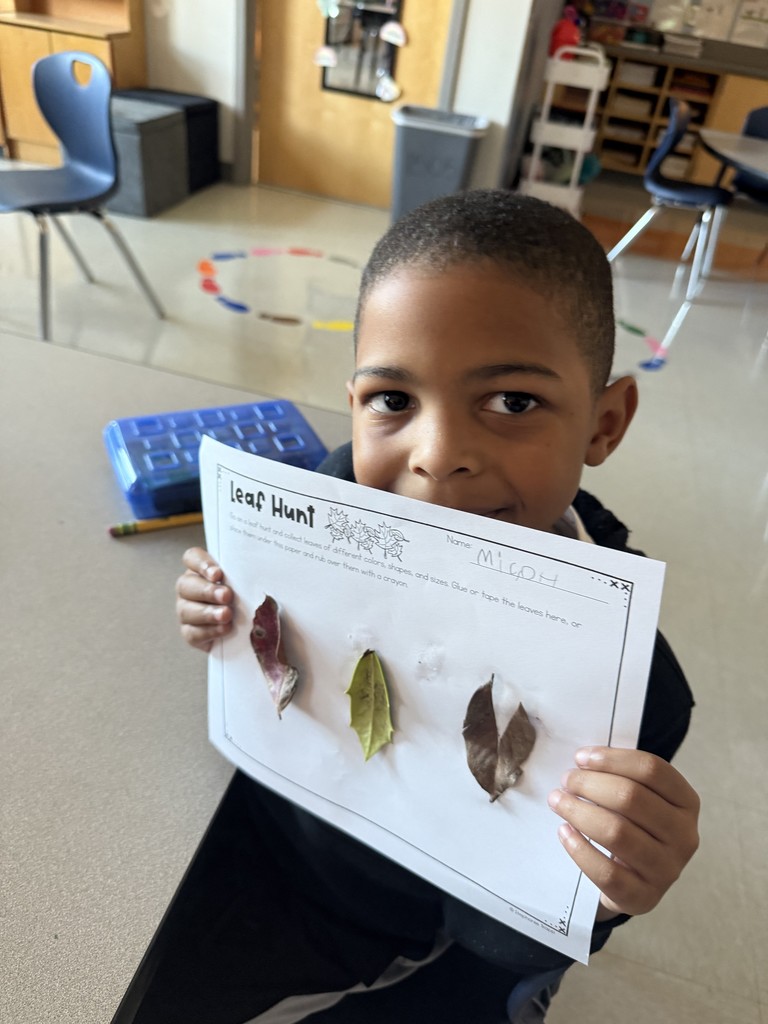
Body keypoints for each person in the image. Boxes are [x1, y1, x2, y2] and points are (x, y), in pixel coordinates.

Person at [162, 190, 698, 1024]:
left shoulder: (631, 692)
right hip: (238, 837)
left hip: (377, 940)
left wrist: (601, 891)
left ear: (604, 424)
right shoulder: (320, 506)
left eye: (512, 401)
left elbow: (495, 941)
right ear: (353, 404)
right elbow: (264, 658)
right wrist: (221, 611)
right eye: (393, 401)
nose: (438, 457)